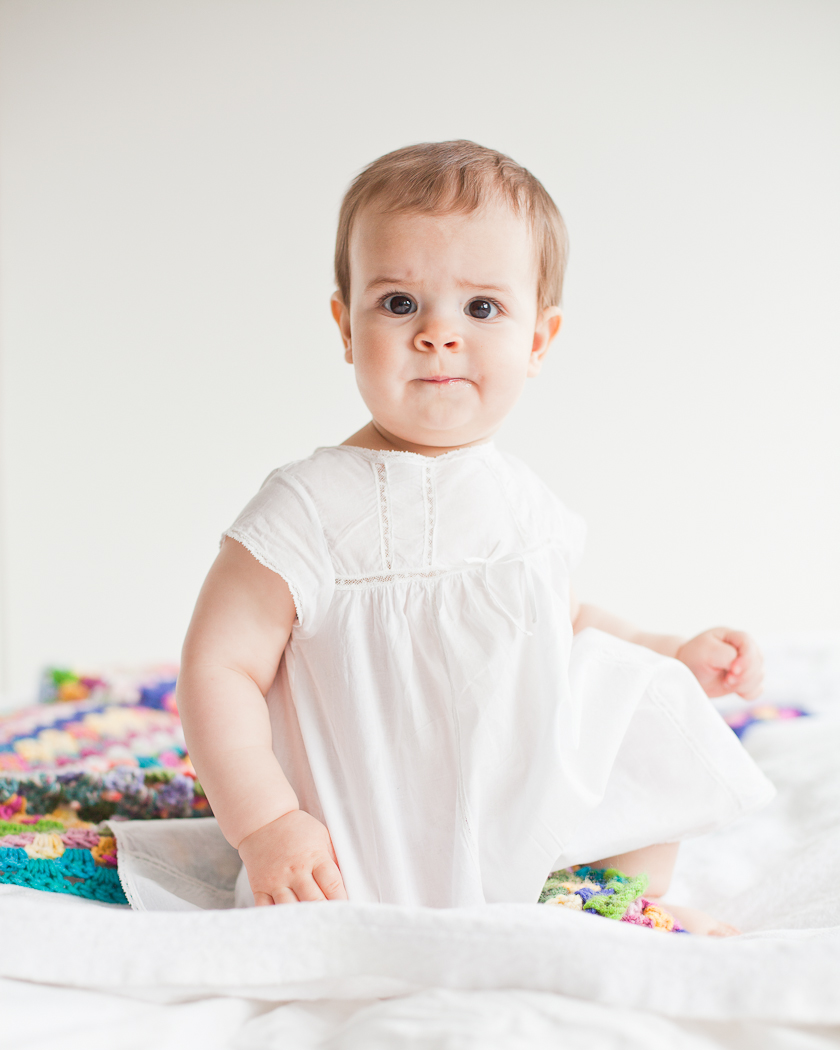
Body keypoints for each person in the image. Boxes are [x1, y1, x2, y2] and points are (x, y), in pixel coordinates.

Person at [176, 141, 774, 935]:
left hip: (510, 805)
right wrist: (267, 824)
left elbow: (565, 621)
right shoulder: (306, 509)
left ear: (538, 341)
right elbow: (218, 668)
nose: (437, 334)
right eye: (398, 303)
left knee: (635, 692)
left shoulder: (521, 500)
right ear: (345, 327)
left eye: (482, 309)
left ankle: (609, 899)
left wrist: (672, 651)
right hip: (373, 832)